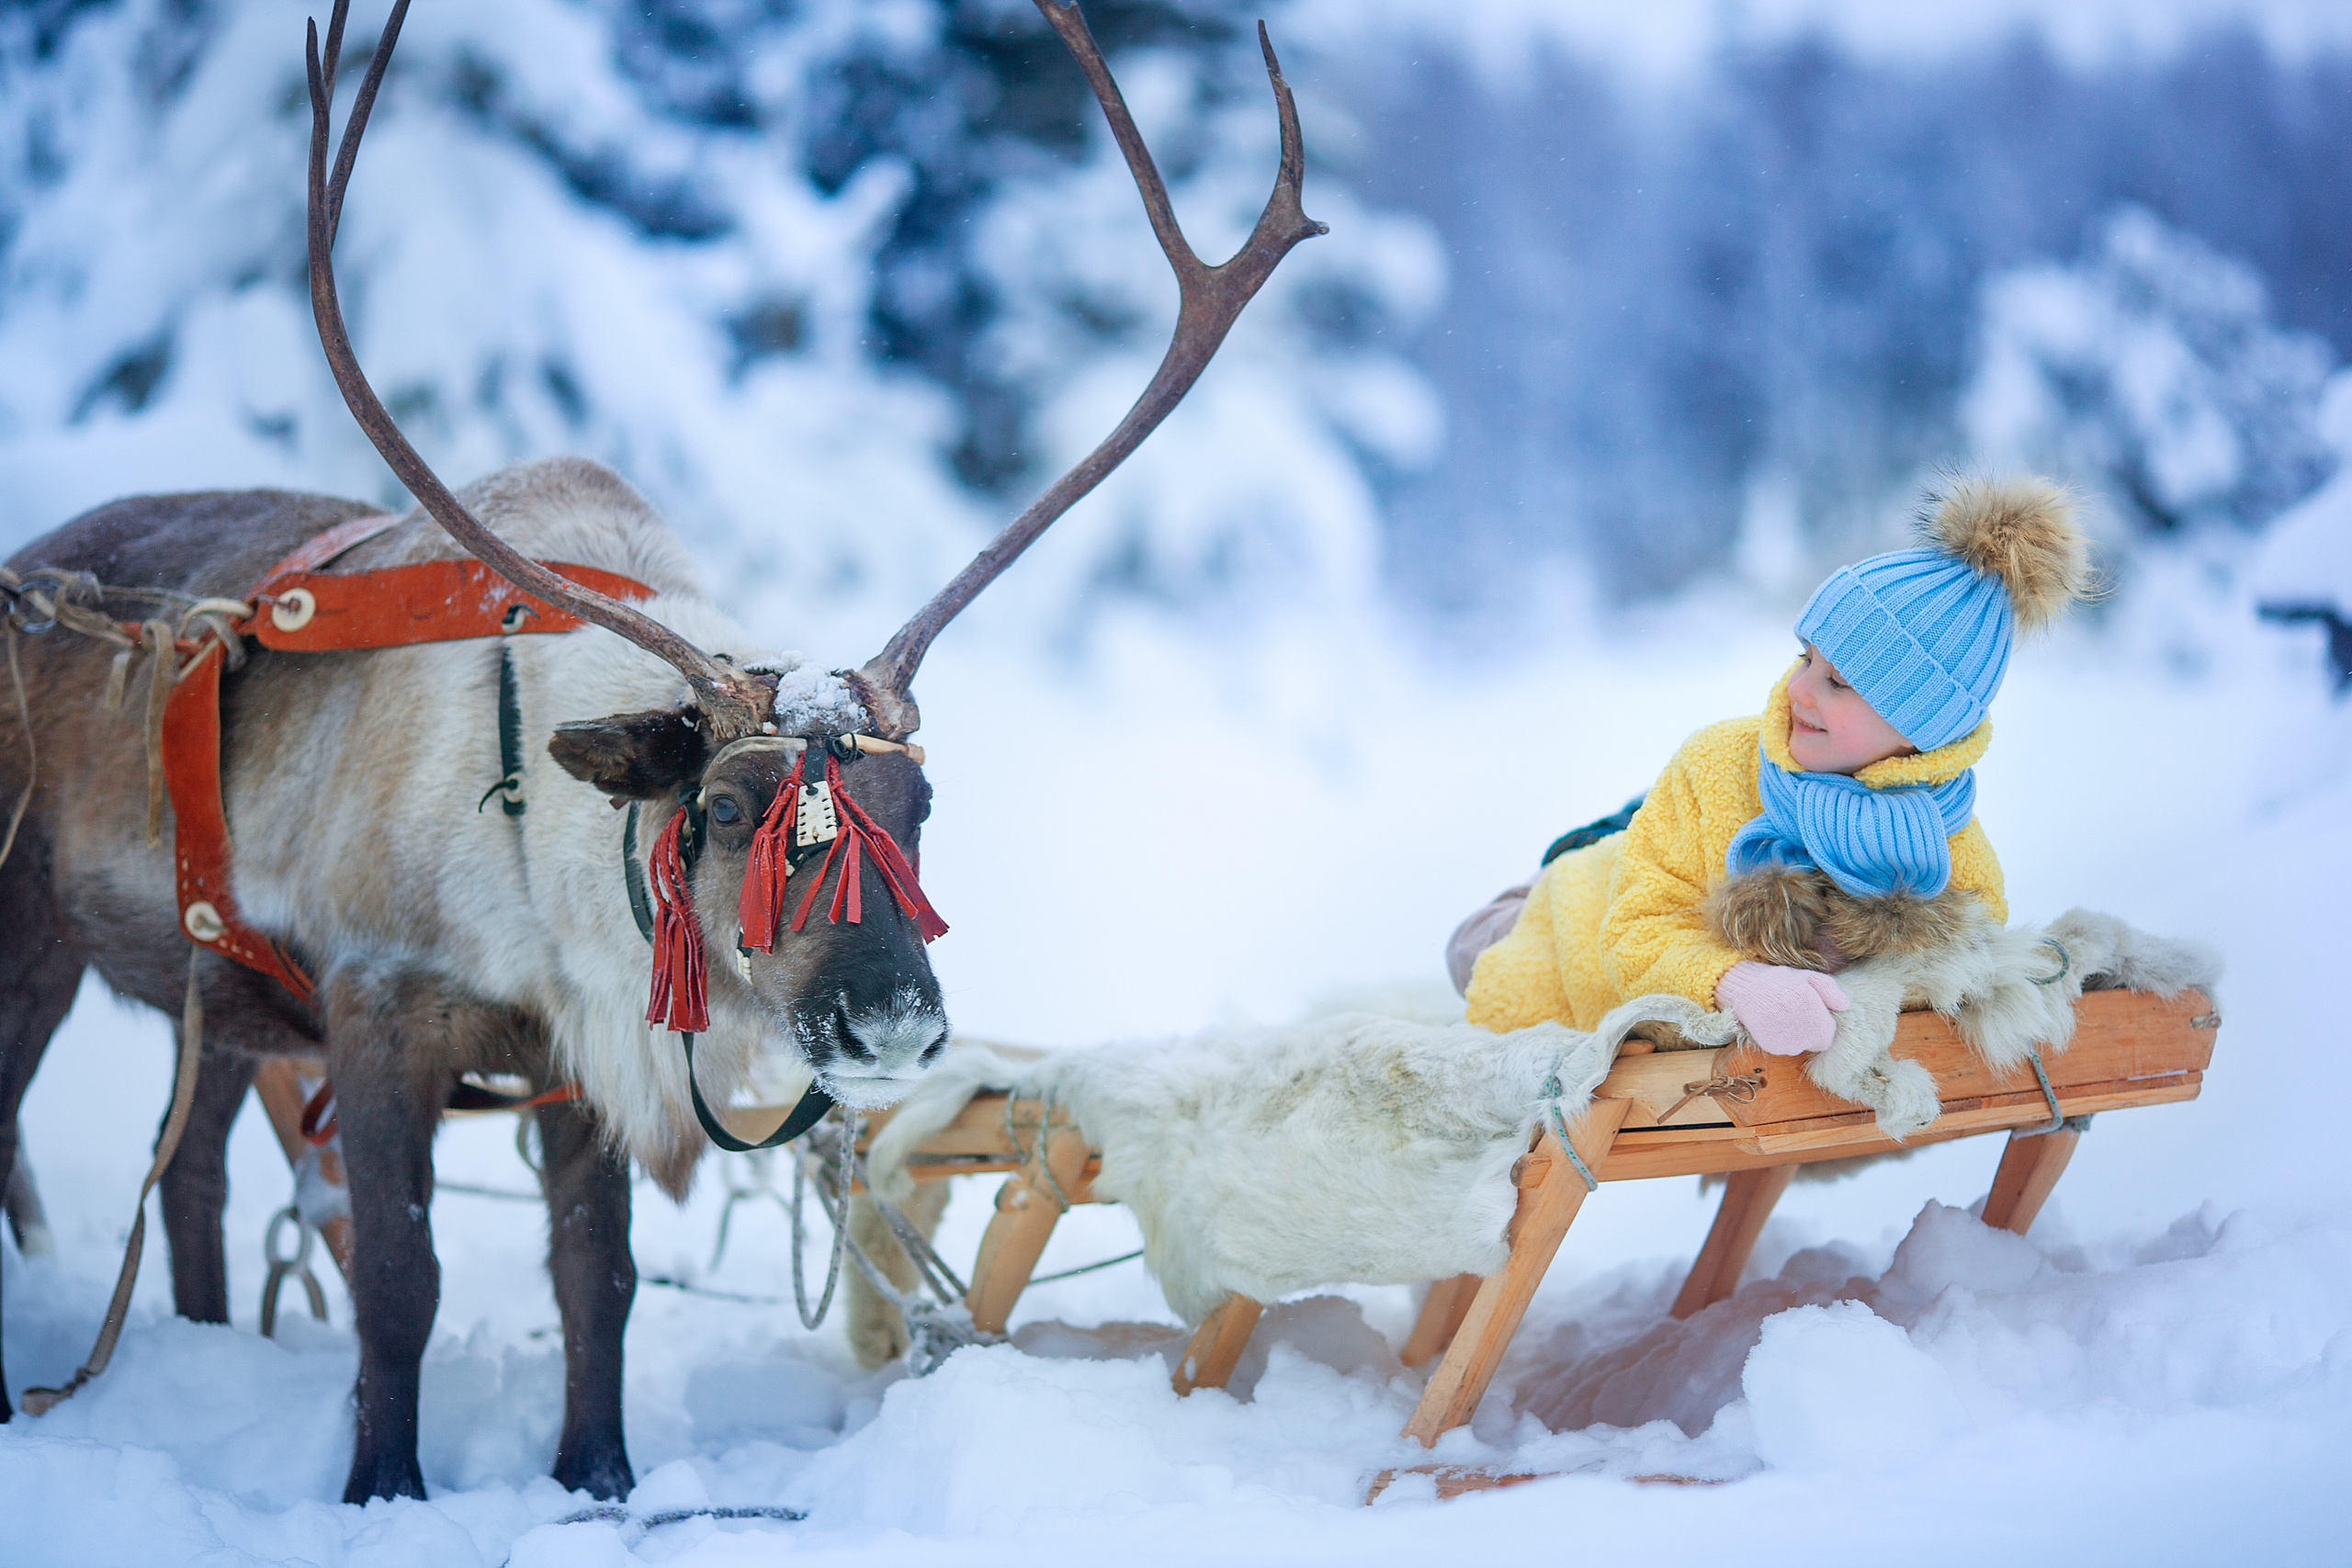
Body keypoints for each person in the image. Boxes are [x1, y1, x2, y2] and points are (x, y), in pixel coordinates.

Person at [1454, 477, 2092, 1056]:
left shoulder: (1953, 856)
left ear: (1919, 732)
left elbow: (1948, 974)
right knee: (1468, 949)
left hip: (1662, 846)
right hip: (1577, 912)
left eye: (1838, 682)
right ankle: (1601, 837)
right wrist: (1739, 982)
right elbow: (1633, 931)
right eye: (1805, 657)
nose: (1800, 690)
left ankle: (1633, 822)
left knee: (1651, 830)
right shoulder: (1715, 760)